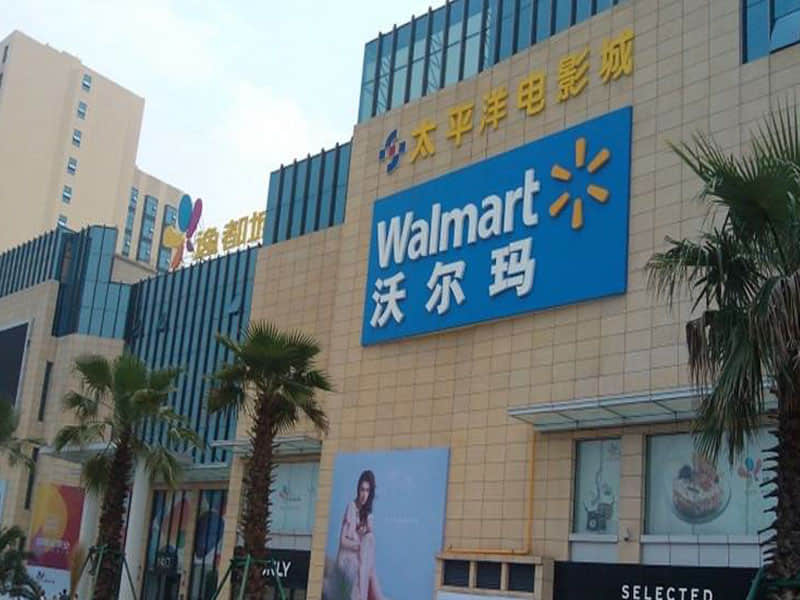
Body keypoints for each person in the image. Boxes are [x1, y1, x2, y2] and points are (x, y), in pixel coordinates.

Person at [331, 470, 388, 600]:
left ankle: (367, 595)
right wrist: (359, 545)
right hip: (347, 558)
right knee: (367, 557)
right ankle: (367, 595)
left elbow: (368, 539)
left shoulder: (367, 513)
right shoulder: (351, 507)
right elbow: (342, 541)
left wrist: (368, 526)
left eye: (367, 491)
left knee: (370, 540)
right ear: (358, 490)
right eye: (362, 490)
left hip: (359, 558)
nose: (364, 494)